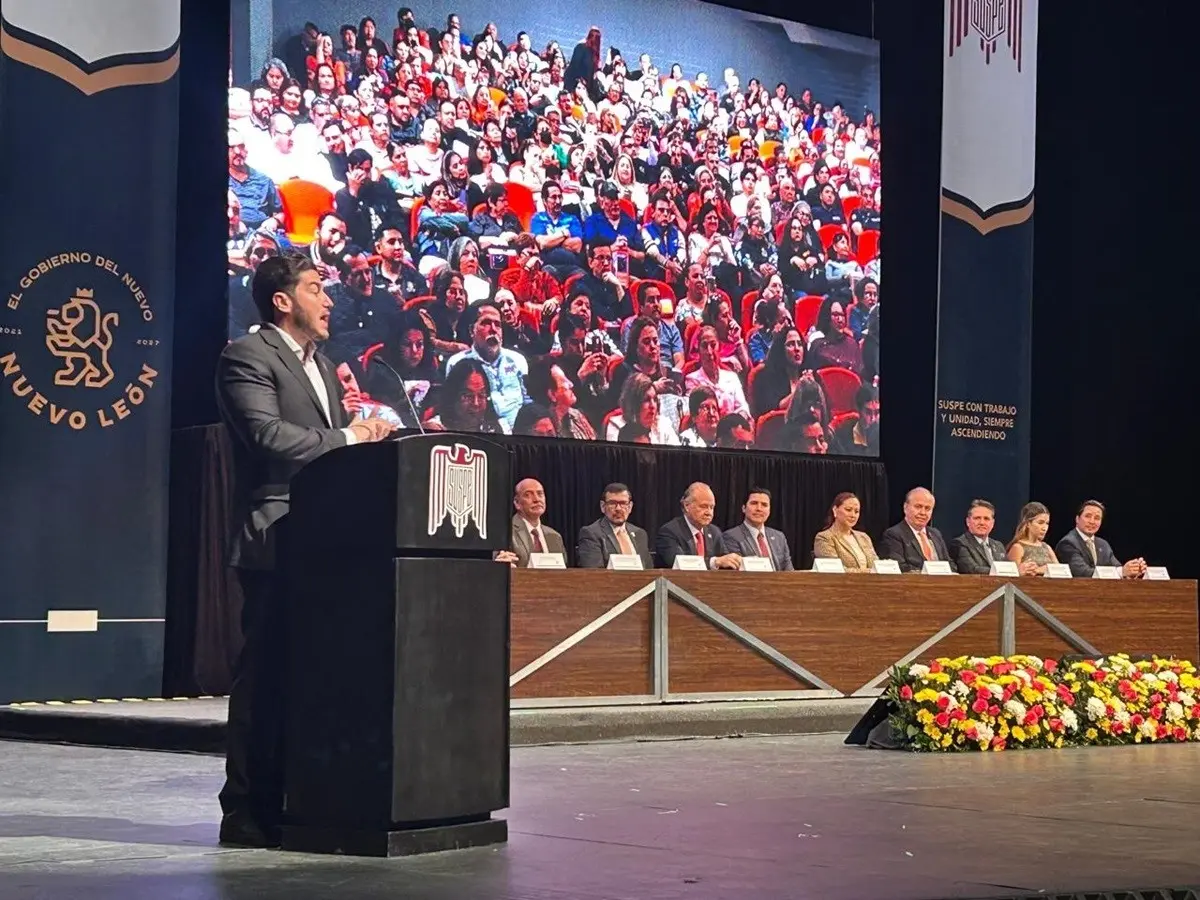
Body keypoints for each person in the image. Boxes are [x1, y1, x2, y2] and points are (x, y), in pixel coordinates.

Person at [215, 255, 396, 847]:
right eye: (316, 289)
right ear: (282, 300)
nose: (328, 300)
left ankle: (302, 797)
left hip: (326, 543)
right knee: (264, 678)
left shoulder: (322, 366)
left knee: (312, 678)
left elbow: (331, 459)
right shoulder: (247, 356)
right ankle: (245, 806)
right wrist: (349, 435)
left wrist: (367, 443)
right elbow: (267, 438)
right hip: (276, 538)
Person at [655, 482, 742, 570]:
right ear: (687, 506)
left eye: (711, 507)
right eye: (703, 506)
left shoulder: (714, 532)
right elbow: (682, 565)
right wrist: (714, 562)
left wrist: (734, 561)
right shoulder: (670, 531)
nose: (708, 512)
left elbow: (725, 561)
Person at [1054, 500, 1147, 579]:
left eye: (1097, 518)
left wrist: (1133, 570)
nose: (1092, 521)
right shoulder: (1067, 543)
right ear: (1077, 519)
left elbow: (1117, 567)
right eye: (1088, 516)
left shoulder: (1103, 544)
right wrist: (1121, 572)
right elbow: (1082, 572)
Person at [576, 483, 654, 569]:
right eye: (612, 503)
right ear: (603, 506)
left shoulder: (640, 534)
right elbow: (594, 573)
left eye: (623, 503)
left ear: (630, 507)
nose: (618, 508)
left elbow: (649, 570)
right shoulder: (591, 533)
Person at [880, 487, 956, 573]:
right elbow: (898, 567)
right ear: (905, 507)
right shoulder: (894, 534)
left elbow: (950, 564)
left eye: (927, 508)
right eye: (918, 507)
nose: (923, 513)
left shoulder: (935, 534)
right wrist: (930, 571)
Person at [721, 487, 794, 570]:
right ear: (744, 508)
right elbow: (738, 572)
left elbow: (789, 570)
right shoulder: (731, 536)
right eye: (754, 503)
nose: (759, 508)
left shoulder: (779, 537)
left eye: (764, 505)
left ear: (769, 511)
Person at [505, 478, 567, 567]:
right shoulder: (506, 532)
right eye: (528, 495)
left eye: (540, 494)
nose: (536, 499)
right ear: (517, 503)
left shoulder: (555, 537)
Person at [812, 491, 878, 572]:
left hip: (871, 584)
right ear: (835, 510)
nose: (853, 515)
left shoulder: (864, 537)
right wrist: (868, 572)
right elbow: (835, 570)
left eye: (856, 511)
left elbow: (877, 566)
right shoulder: (824, 538)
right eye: (848, 510)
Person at [948, 499, 1008, 575]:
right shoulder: (959, 543)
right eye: (977, 518)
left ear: (992, 523)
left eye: (986, 519)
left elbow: (1007, 567)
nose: (982, 522)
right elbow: (972, 569)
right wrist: (1002, 572)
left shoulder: (998, 545)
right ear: (968, 522)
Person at [1005, 501, 1059, 576]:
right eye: (1040, 523)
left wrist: (1039, 570)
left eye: (1047, 523)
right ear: (1028, 524)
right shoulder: (1018, 547)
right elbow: (1011, 577)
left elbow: (1060, 571)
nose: (1045, 528)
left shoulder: (1046, 547)